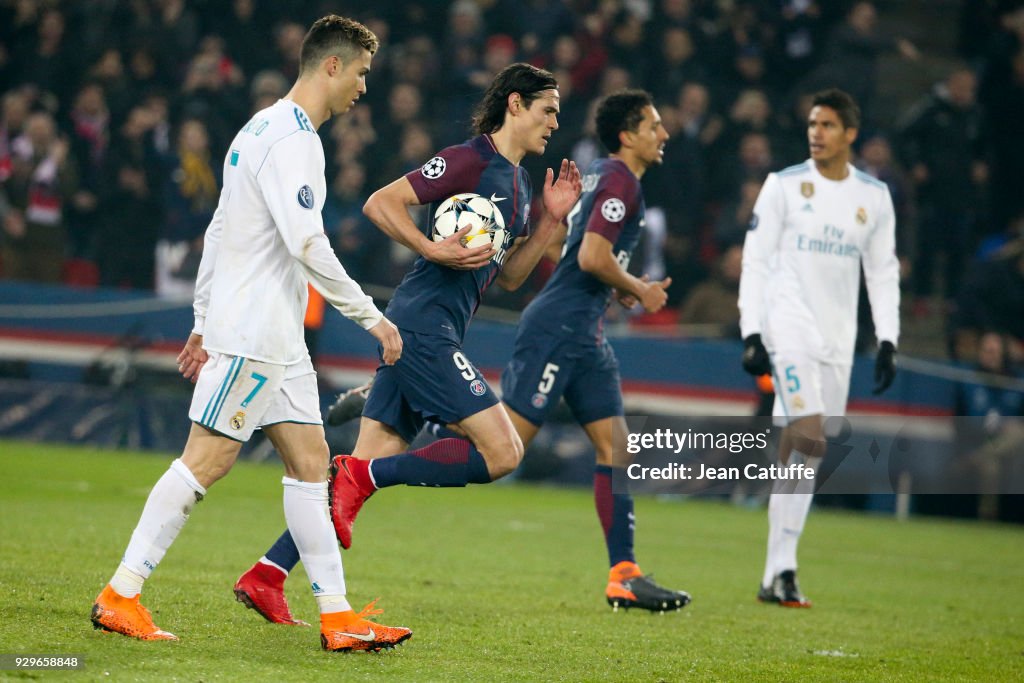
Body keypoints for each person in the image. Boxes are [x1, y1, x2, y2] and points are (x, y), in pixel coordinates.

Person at [89, 15, 411, 652]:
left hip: (274, 335)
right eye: (362, 74)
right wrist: (371, 317)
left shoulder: (256, 128)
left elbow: (218, 230)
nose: (364, 88)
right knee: (207, 459)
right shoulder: (294, 141)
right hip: (257, 333)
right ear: (331, 66)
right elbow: (307, 243)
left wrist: (202, 321)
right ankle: (120, 594)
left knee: (311, 465)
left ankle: (338, 617)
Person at [232, 62, 581, 623]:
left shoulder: (517, 184)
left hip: (432, 328)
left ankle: (268, 574)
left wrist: (549, 224)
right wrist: (431, 246)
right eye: (548, 111)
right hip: (423, 327)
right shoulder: (469, 159)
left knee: (367, 463)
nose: (554, 124)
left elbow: (509, 277)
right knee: (503, 452)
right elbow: (380, 203)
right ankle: (358, 476)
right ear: (515, 104)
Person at [499, 90, 688, 612]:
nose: (663, 134)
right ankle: (388, 436)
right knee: (500, 451)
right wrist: (641, 289)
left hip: (586, 333)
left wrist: (619, 285)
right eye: (653, 126)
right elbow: (589, 256)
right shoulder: (620, 181)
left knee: (617, 450)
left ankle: (624, 575)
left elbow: (585, 252)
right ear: (628, 136)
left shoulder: (608, 175)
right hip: (559, 329)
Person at [738, 88, 900, 607]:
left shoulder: (873, 197)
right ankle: (783, 567)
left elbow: (881, 271)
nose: (816, 133)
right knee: (809, 435)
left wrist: (889, 337)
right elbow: (756, 260)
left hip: (838, 340)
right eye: (812, 123)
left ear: (850, 133)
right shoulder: (784, 186)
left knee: (806, 450)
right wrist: (752, 330)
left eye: (827, 125)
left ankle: (775, 573)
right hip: (789, 328)